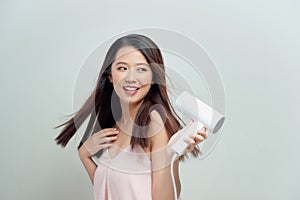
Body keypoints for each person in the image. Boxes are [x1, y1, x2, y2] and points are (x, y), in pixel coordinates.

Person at [55, 34, 207, 200]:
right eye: (122, 68)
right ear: (111, 76)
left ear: (153, 77)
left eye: (141, 69)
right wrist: (84, 156)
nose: (131, 78)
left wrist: (168, 155)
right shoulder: (116, 124)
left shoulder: (154, 122)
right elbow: (109, 190)